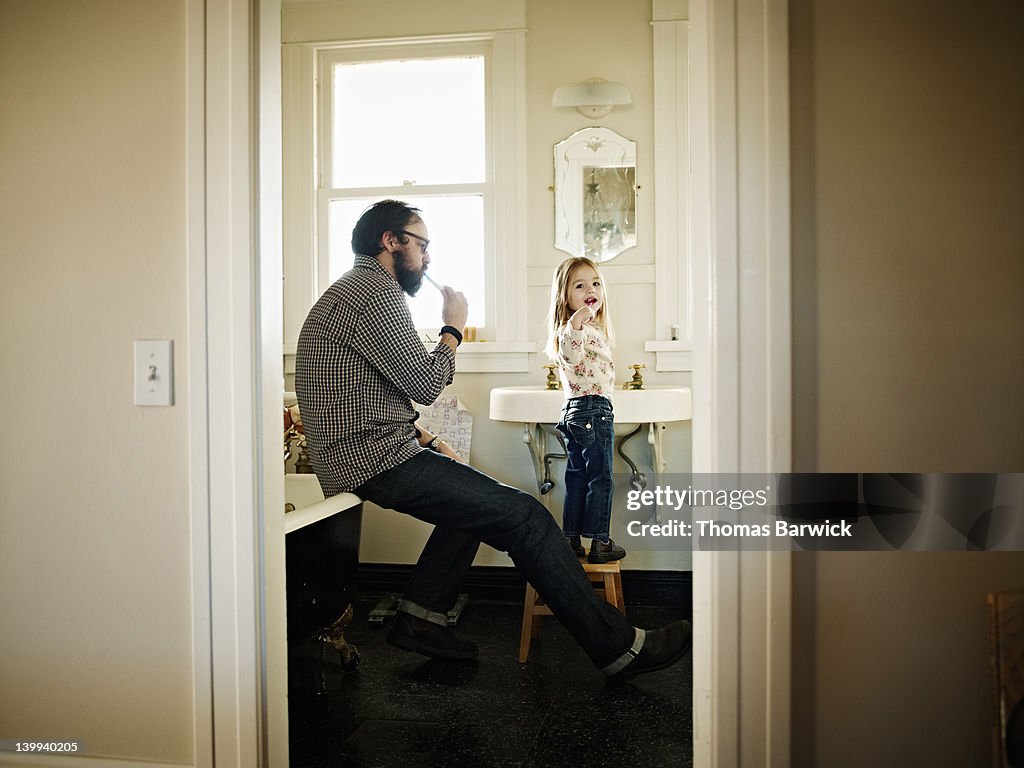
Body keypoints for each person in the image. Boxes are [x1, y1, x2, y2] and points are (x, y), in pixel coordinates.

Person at [295, 199, 690, 679]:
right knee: (523, 514)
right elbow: (423, 382)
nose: (427, 258)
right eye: (422, 245)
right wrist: (453, 326)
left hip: (365, 452)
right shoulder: (374, 292)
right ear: (391, 241)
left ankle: (421, 618)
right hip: (374, 458)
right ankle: (621, 649)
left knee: (475, 504)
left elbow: (354, 392)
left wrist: (417, 435)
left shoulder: (352, 292)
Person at [546, 257, 626, 564]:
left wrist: (581, 321)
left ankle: (571, 540)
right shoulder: (575, 328)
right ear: (565, 296)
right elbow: (572, 351)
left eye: (595, 283)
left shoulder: (588, 328)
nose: (590, 289)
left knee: (577, 478)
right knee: (601, 479)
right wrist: (579, 319)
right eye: (579, 286)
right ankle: (600, 542)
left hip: (576, 412)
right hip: (594, 410)